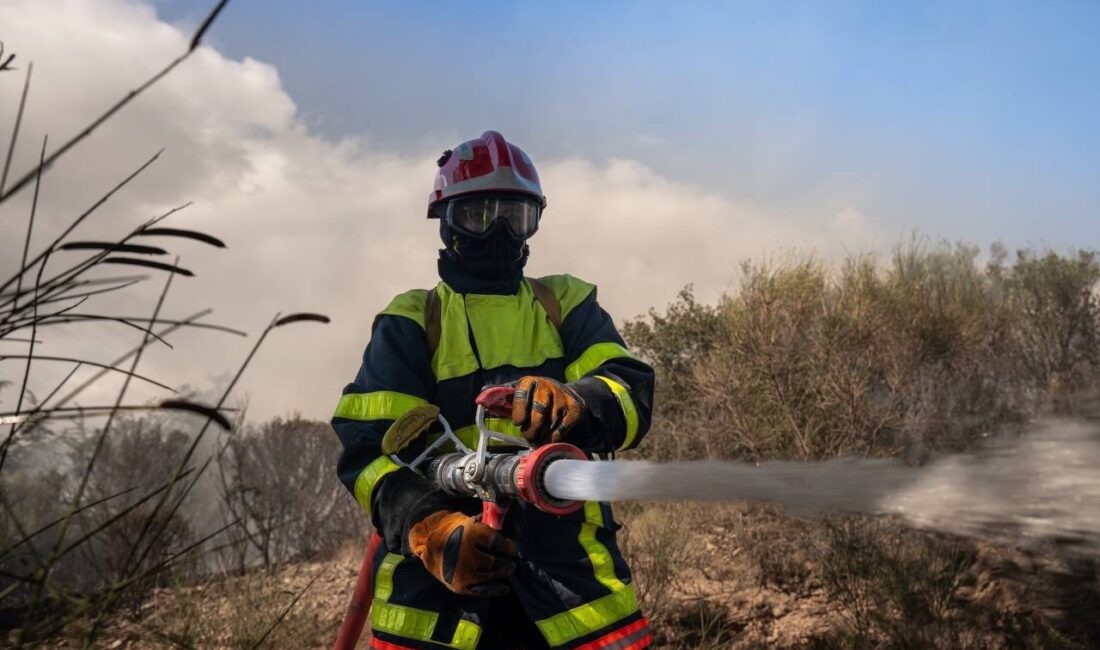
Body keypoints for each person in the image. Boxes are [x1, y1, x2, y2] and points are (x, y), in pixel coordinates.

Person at [332, 131, 655, 650]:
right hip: (438, 603)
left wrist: (578, 402)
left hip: (573, 593)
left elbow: (630, 390)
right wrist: (430, 528)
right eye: (480, 216)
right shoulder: (413, 321)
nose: (500, 232)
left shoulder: (566, 304)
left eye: (517, 216)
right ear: (447, 221)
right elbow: (367, 452)